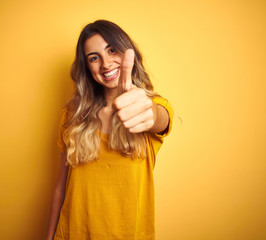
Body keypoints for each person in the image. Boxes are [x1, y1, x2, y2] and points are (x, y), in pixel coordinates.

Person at [46, 20, 174, 240]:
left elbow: (159, 118)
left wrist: (150, 113)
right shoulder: (72, 115)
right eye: (94, 58)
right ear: (87, 68)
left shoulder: (149, 106)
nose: (105, 64)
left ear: (126, 53)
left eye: (112, 50)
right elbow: (60, 187)